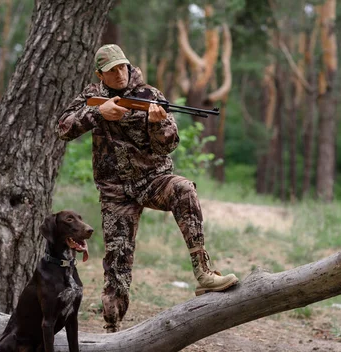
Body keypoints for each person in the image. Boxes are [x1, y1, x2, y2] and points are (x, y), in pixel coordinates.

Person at [56, 44, 238, 333]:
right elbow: (62, 129)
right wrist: (98, 114)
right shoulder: (92, 97)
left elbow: (170, 144)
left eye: (122, 67)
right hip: (115, 189)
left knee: (184, 189)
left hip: (154, 181)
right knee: (117, 262)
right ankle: (112, 329)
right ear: (99, 74)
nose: (119, 74)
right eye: (111, 70)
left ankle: (203, 273)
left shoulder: (151, 96)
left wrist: (156, 124)